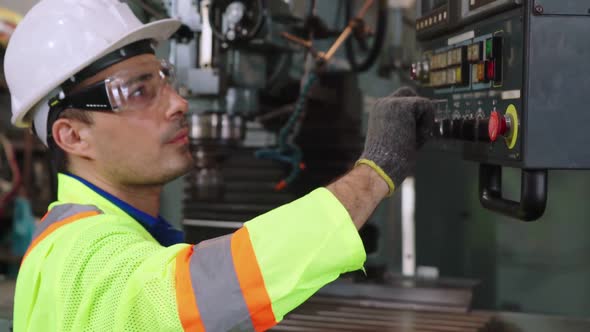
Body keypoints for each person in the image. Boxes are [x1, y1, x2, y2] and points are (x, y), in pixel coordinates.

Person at [4, 0, 434, 331]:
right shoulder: (82, 254)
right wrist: (373, 173)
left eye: (163, 78)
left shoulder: (107, 234)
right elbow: (207, 288)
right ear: (72, 136)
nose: (178, 102)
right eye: (137, 90)